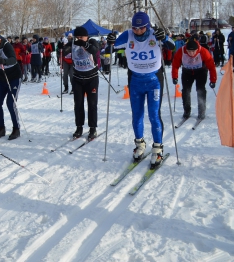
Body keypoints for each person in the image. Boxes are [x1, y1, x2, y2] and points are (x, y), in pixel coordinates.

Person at [107, 11, 174, 168]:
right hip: (135, 81)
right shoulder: (128, 35)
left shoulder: (154, 34)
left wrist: (163, 37)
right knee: (137, 115)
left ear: (147, 26)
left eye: (141, 28)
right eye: (135, 28)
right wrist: (110, 42)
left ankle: (157, 148)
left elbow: (172, 46)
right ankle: (140, 144)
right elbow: (109, 49)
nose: (137, 31)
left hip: (154, 81)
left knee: (153, 115)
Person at [64, 27, 100, 140]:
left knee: (92, 104)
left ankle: (93, 128)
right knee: (78, 104)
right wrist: (62, 47)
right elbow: (65, 50)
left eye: (81, 37)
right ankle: (79, 127)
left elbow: (95, 50)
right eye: (77, 37)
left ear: (86, 36)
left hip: (92, 78)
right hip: (78, 78)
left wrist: (85, 44)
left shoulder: (91, 41)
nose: (79, 39)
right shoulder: (73, 43)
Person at [171, 39, 217, 120]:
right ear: (186, 49)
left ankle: (201, 111)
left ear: (197, 49)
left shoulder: (203, 51)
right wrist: (175, 77)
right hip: (187, 72)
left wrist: (213, 80)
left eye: (193, 51)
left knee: (200, 90)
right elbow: (175, 64)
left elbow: (211, 66)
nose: (191, 53)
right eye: (189, 51)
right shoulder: (181, 51)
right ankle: (186, 111)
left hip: (201, 71)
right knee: (186, 90)